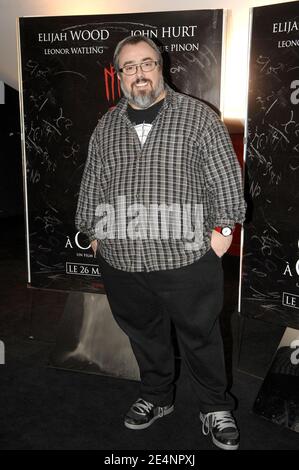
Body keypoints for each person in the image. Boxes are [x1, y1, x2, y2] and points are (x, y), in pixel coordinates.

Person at [75, 35, 246, 450]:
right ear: (119, 76)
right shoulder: (107, 125)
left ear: (161, 67)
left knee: (200, 336)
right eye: (129, 67)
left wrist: (221, 236)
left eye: (147, 63)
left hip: (187, 257)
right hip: (123, 259)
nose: (139, 73)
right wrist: (94, 236)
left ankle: (214, 406)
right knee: (145, 336)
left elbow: (226, 180)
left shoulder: (198, 117)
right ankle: (156, 397)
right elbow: (92, 182)